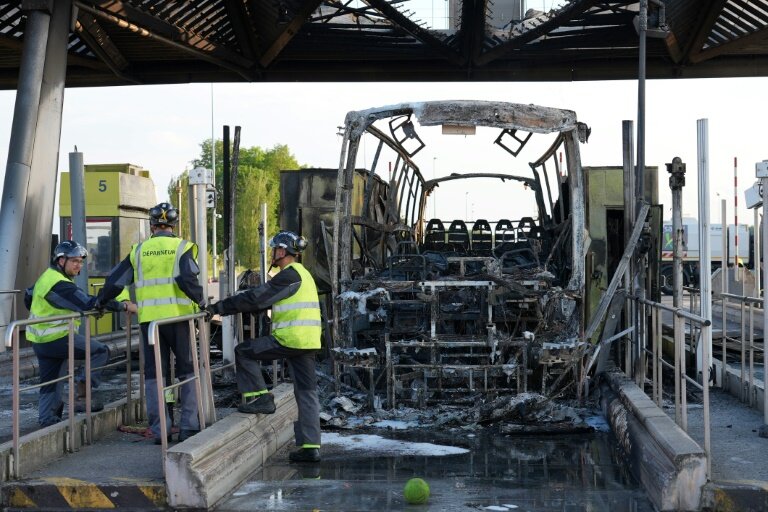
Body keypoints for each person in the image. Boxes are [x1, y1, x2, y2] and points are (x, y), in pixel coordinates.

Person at [207, 230, 323, 463]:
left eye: (274, 249)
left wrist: (219, 308)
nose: (272, 253)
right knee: (307, 392)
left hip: (290, 339)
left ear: (282, 251)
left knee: (244, 351)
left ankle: (260, 398)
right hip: (308, 341)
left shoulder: (289, 276)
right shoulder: (304, 274)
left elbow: (257, 298)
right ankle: (310, 447)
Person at [97, 202, 205, 444]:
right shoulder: (182, 247)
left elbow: (115, 281)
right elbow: (187, 279)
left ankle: (161, 430)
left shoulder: (139, 250)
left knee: (156, 375)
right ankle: (189, 426)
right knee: (187, 371)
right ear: (174, 225)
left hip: (150, 324)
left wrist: (101, 301)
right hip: (180, 319)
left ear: (152, 225)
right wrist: (202, 302)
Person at [25, 240, 138, 427]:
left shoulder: (47, 277)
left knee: (51, 381)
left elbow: (28, 296)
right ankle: (81, 397)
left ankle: (47, 419)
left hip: (40, 339)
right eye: (74, 261)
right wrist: (124, 305)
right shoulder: (60, 284)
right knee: (100, 351)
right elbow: (88, 303)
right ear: (61, 261)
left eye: (81, 261)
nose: (79, 265)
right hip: (56, 338)